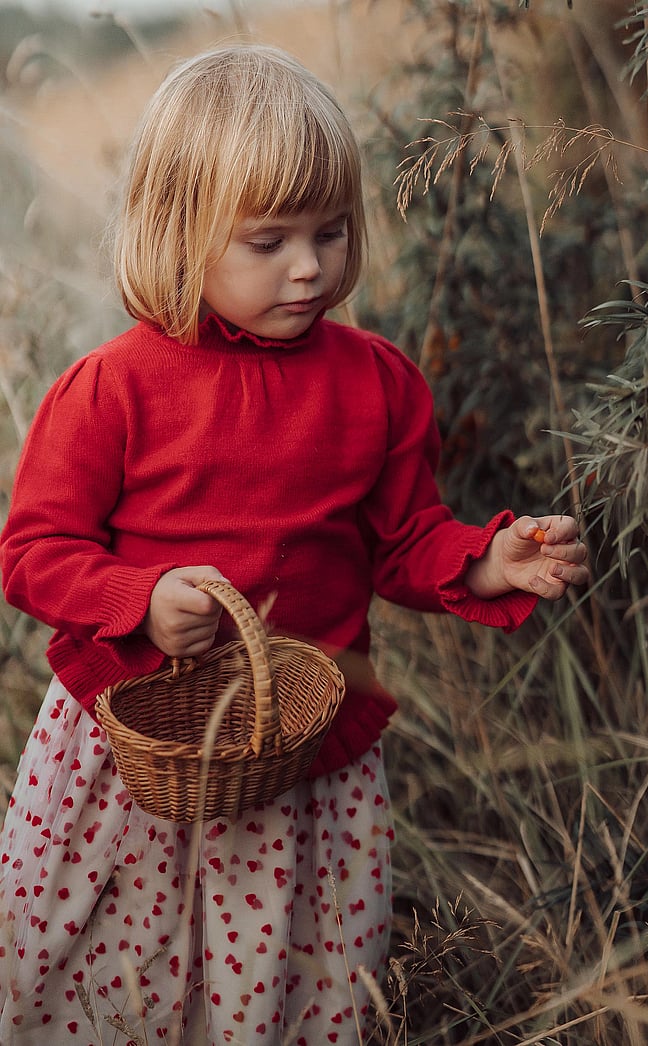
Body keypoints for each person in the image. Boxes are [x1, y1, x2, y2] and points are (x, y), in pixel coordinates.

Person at [0, 44, 589, 1046]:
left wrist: (487, 560)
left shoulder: (376, 382)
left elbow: (402, 540)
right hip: (137, 754)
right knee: (111, 981)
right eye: (268, 241)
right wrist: (138, 598)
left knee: (282, 980)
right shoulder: (114, 389)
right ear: (180, 233)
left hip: (300, 758)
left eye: (330, 231)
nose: (310, 266)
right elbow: (33, 552)